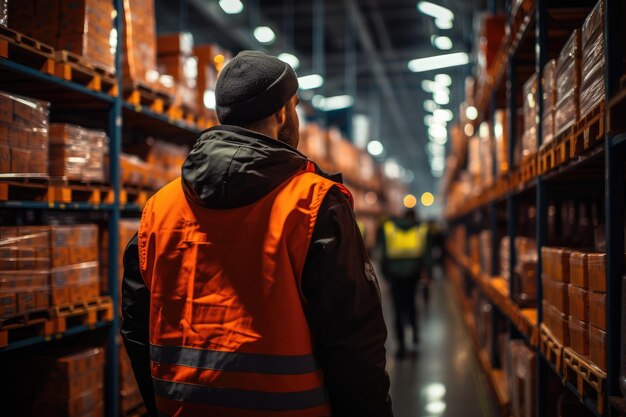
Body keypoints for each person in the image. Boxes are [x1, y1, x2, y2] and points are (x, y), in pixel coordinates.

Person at [120, 51, 392, 417]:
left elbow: (136, 326)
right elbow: (354, 341)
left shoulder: (159, 207)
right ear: (282, 113)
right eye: (293, 106)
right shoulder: (314, 203)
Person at [378, 209, 428, 358]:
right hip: (413, 275)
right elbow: (424, 254)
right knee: (412, 306)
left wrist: (385, 274)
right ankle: (414, 340)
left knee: (398, 310)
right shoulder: (419, 229)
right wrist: (424, 272)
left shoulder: (389, 228)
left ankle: (400, 346)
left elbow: (383, 255)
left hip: (395, 276)